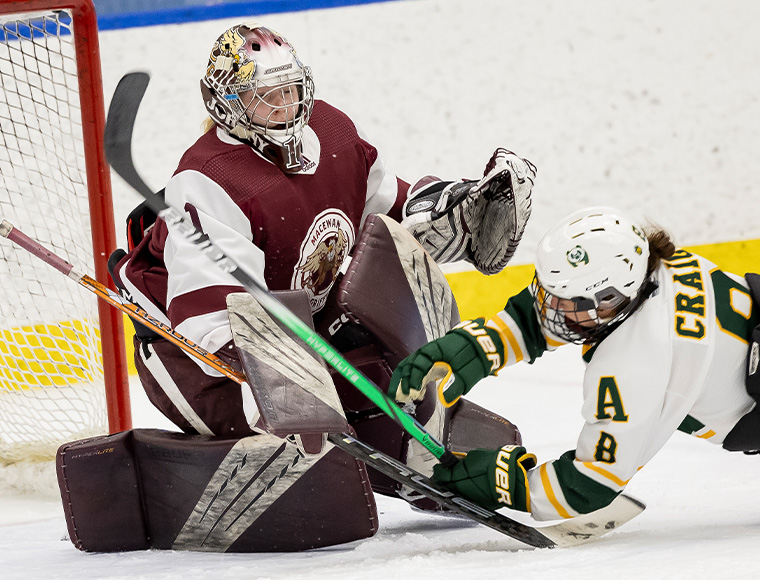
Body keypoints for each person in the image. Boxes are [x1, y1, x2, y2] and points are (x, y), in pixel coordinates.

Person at [109, 22, 536, 439]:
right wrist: (287, 370)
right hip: (197, 362)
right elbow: (210, 321)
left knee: (381, 401)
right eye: (263, 97)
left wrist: (448, 212)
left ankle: (407, 447)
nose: (283, 106)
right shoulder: (208, 178)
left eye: (289, 90)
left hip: (300, 329)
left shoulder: (332, 133)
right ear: (226, 104)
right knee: (306, 448)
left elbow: (385, 217)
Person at [389, 205, 760, 521]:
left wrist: (507, 481)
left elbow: (587, 486)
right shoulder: (653, 266)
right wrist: (474, 347)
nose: (549, 308)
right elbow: (552, 317)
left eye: (564, 301)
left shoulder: (633, 363)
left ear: (611, 299)